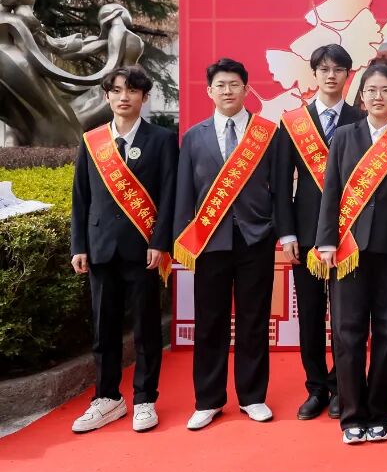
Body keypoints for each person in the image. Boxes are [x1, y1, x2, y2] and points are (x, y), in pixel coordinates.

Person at [313, 63, 387, 444]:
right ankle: (352, 416)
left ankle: (379, 414)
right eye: (372, 90)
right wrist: (326, 242)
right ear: (361, 96)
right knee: (348, 334)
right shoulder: (345, 136)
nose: (378, 97)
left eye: (386, 90)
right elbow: (331, 191)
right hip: (348, 250)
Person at [173, 58, 284, 430]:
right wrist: (182, 240)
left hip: (255, 238)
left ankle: (253, 397)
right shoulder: (194, 137)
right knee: (210, 321)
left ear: (246, 89)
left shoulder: (266, 133)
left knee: (254, 320)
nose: (227, 91)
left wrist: (276, 228)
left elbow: (279, 188)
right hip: (209, 240)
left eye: (234, 84)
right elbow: (184, 193)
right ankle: (208, 399)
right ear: (209, 91)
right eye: (220, 85)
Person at [70, 66, 178, 433]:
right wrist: (79, 245)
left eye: (132, 90)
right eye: (116, 90)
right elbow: (81, 197)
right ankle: (107, 398)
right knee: (104, 329)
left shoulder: (162, 139)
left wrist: (160, 242)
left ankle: (145, 399)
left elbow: (169, 195)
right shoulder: (92, 141)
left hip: (143, 250)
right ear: (107, 96)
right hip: (100, 249)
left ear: (144, 97)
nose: (123, 97)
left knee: (146, 329)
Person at [275, 44, 359, 421]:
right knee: (310, 315)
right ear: (314, 74)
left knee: (346, 317)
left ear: (348, 75)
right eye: (324, 69)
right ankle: (316, 388)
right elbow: (281, 185)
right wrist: (287, 235)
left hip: (350, 235)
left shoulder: (361, 119)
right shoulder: (294, 122)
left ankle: (342, 386)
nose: (331, 75)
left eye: (338, 69)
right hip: (307, 234)